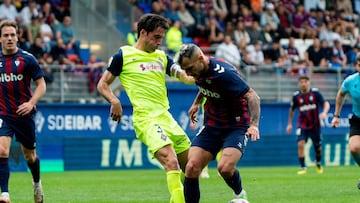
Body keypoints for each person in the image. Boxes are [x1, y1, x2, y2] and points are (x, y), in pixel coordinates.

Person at [97, 14, 194, 203]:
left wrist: (201, 74)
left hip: (166, 118)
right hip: (146, 119)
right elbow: (103, 84)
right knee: (171, 161)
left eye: (162, 38)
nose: (159, 42)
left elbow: (183, 76)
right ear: (143, 33)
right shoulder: (123, 55)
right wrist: (114, 101)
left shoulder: (162, 57)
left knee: (191, 168)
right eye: (156, 37)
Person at [176, 43, 261, 203]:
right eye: (185, 70)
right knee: (191, 167)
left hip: (235, 125)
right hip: (212, 125)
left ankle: (239, 193)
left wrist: (254, 125)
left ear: (201, 58)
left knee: (225, 168)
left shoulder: (225, 73)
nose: (187, 73)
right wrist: (196, 103)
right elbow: (204, 84)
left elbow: (252, 96)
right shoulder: (198, 71)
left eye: (189, 68)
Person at [0, 20, 46, 203]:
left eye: (12, 34)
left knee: (30, 156)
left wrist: (31, 102)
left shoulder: (27, 59)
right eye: (6, 35)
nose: (10, 38)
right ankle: (5, 194)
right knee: (2, 150)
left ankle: (37, 183)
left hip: (24, 115)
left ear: (17, 37)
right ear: (0, 38)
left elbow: (41, 85)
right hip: (3, 114)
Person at [286, 75, 330, 175]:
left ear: (309, 82)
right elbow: (292, 110)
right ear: (299, 84)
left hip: (315, 125)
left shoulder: (315, 93)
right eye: (301, 82)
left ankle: (318, 163)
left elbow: (325, 103)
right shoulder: (296, 96)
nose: (303, 84)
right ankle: (303, 167)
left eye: (305, 81)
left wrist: (324, 112)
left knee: (318, 147)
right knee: (300, 144)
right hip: (302, 125)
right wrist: (289, 124)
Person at [331, 55, 360, 189]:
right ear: (356, 65)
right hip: (357, 119)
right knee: (354, 148)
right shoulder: (350, 81)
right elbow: (340, 95)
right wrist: (336, 115)